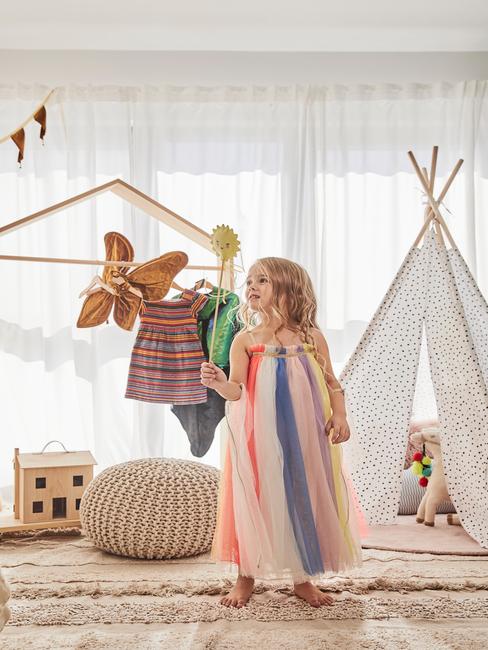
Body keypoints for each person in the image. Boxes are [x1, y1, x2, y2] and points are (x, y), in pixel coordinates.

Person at [200, 257, 367, 609]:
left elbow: (332, 383)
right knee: (257, 496)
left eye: (262, 280)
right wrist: (218, 384)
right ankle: (245, 575)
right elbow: (237, 391)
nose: (251, 287)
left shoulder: (310, 338)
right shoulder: (245, 340)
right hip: (258, 434)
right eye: (250, 281)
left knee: (300, 493)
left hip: (306, 433)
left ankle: (302, 576)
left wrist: (340, 415)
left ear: (289, 290)